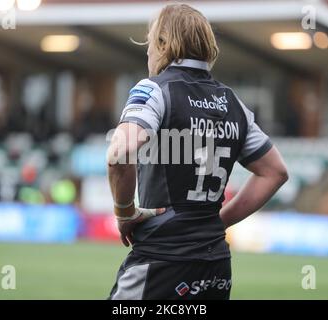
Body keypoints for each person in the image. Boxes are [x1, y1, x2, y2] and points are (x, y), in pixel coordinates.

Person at [106, 3, 288, 300]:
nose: (148, 51)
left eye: (151, 41)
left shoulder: (154, 90)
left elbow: (119, 153)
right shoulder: (232, 103)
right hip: (215, 266)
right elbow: (275, 172)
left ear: (164, 44)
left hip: (163, 261)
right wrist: (219, 222)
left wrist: (124, 212)